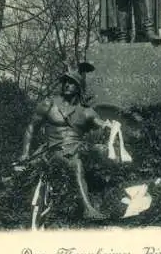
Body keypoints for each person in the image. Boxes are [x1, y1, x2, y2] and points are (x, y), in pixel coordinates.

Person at [19, 63, 115, 220]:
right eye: (65, 81)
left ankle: (110, 194)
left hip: (79, 148)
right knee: (75, 163)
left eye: (71, 82)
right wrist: (25, 153)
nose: (67, 85)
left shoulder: (86, 112)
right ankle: (88, 209)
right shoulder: (48, 105)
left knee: (102, 151)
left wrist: (109, 126)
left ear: (78, 87)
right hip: (54, 151)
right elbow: (31, 128)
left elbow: (101, 123)